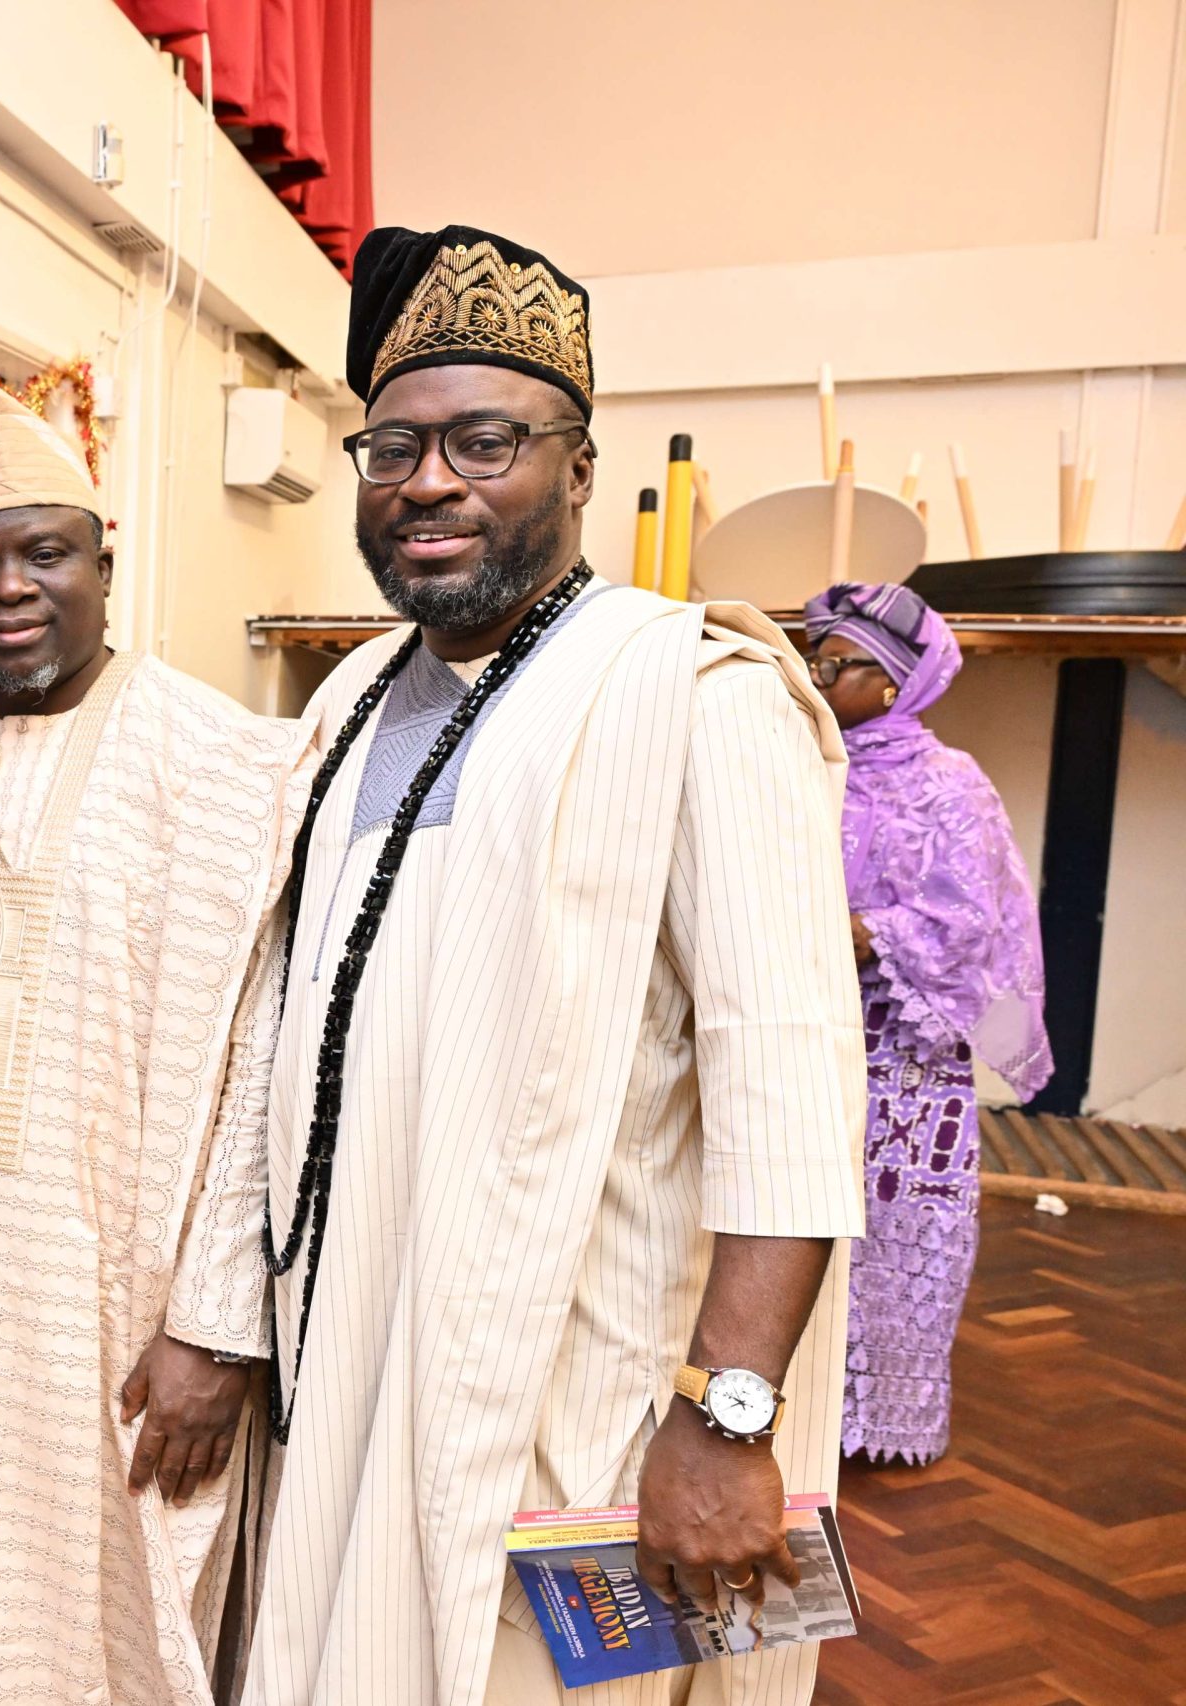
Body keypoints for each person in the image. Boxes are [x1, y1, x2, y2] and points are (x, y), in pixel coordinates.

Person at [242, 225, 867, 1706]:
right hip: (347, 1367)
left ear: (580, 469)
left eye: (485, 441)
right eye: (394, 447)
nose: (430, 481)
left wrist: (724, 1420)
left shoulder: (698, 691)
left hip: (571, 1401)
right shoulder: (346, 699)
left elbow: (788, 1090)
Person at [0, 386, 312, 1704]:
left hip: (124, 1320)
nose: (9, 588)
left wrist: (215, 1330)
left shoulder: (223, 761)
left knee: (102, 1641)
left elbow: (261, 1067)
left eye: (43, 551)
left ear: (104, 553)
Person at [805, 581, 1050, 1465]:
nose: (816, 675)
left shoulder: (951, 785)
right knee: (793, 1212)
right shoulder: (799, 766)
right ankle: (786, 1411)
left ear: (896, 682)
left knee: (893, 1227)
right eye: (813, 658)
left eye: (837, 663)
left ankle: (879, 1424)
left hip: (903, 1052)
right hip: (806, 1029)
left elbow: (970, 922)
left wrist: (864, 932)